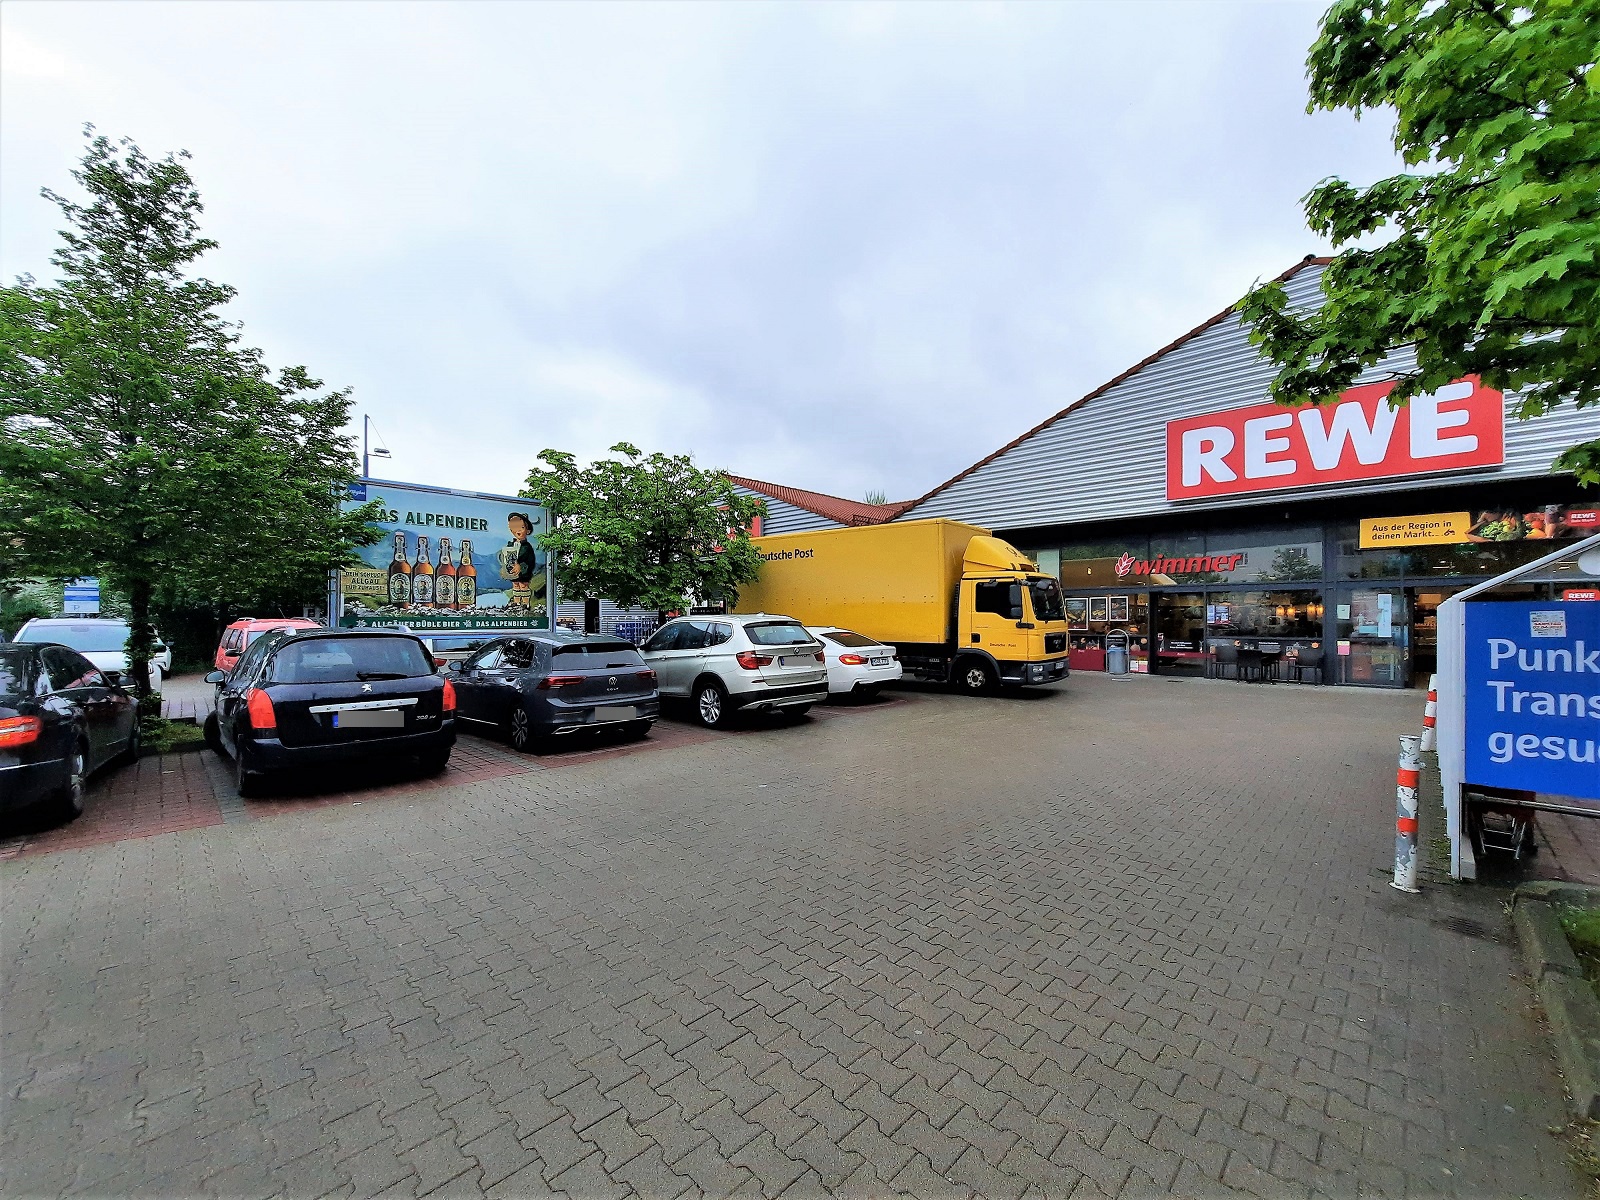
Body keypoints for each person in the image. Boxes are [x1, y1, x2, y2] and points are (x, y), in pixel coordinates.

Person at [502, 512, 545, 612]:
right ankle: (517, 602)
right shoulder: (511, 545)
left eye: (521, 528)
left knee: (523, 585)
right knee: (516, 585)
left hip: (524, 571)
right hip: (513, 570)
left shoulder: (527, 547)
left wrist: (521, 566)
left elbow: (530, 560)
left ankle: (525, 603)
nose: (518, 531)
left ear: (528, 531)